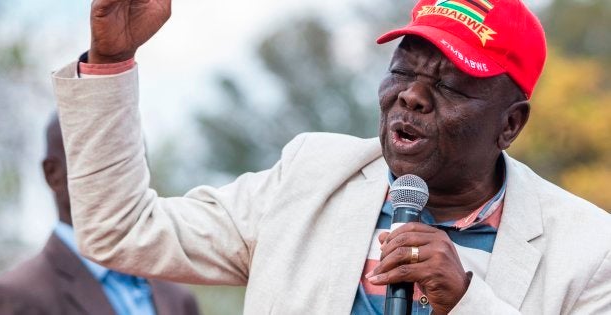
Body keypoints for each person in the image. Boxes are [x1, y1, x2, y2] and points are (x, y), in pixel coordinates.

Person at [50, 0, 611, 314]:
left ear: (510, 123)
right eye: (403, 70)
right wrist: (111, 60)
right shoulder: (312, 177)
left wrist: (464, 301)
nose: (411, 95)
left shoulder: (587, 250)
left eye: (450, 85)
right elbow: (119, 232)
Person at [0, 115, 201, 315]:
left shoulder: (178, 299)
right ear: (53, 174)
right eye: (105, 162)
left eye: (134, 162)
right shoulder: (14, 298)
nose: (125, 178)